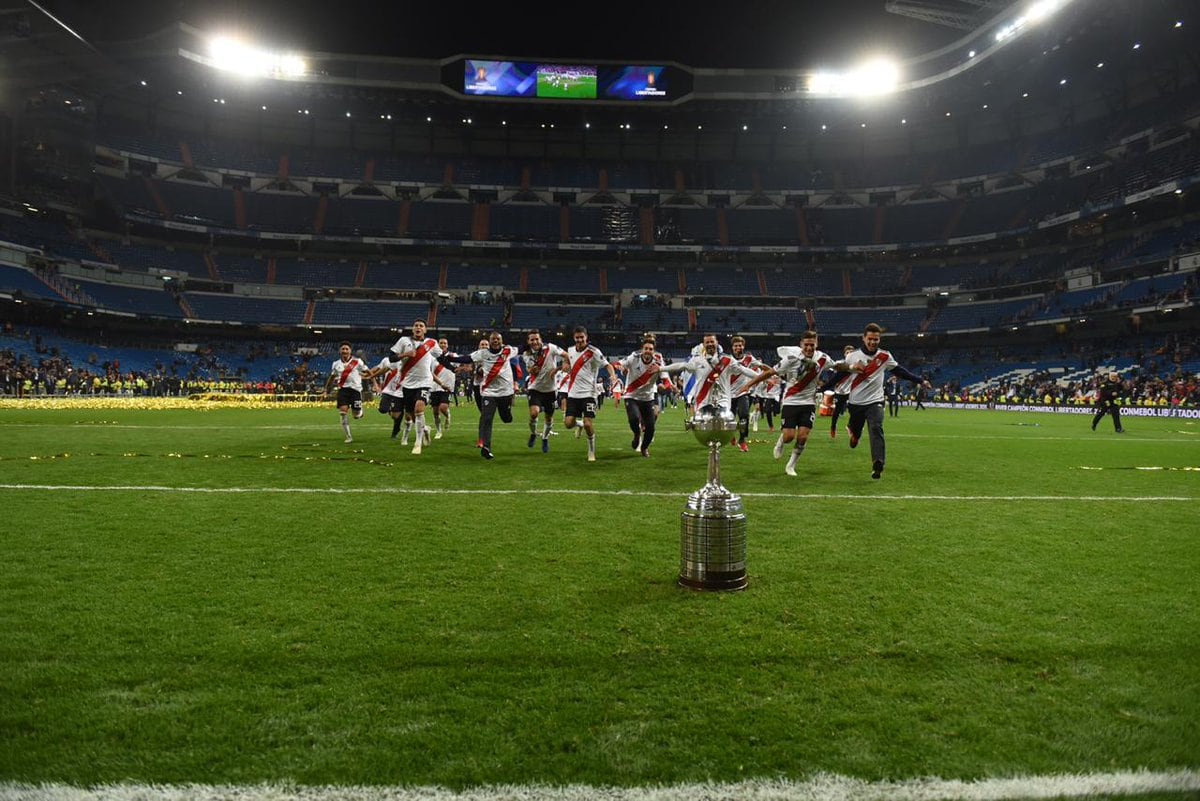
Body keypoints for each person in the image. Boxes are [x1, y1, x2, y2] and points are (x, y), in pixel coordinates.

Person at [833, 323, 932, 480]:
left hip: (876, 401)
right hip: (856, 403)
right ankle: (854, 434)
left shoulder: (885, 356)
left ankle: (878, 463)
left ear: (880, 340)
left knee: (876, 427)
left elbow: (899, 371)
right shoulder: (852, 356)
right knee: (856, 434)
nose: (873, 342)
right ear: (864, 338)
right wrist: (822, 388)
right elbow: (839, 376)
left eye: (876, 340)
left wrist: (920, 380)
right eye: (870, 339)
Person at [745, 330, 833, 477]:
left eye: (812, 344)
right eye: (806, 345)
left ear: (816, 344)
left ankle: (791, 465)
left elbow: (837, 366)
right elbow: (770, 372)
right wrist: (750, 384)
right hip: (791, 401)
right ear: (801, 345)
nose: (809, 348)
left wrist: (851, 367)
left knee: (803, 436)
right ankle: (781, 441)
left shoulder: (823, 358)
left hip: (809, 403)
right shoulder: (791, 358)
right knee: (789, 437)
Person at [445, 331, 519, 459]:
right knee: (486, 418)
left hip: (505, 392)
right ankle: (486, 447)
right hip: (488, 392)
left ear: (501, 341)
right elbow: (467, 358)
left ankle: (507, 414)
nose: (495, 341)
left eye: (498, 339)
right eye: (493, 339)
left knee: (506, 419)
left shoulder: (508, 350)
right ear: (489, 342)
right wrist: (450, 358)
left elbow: (523, 348)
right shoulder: (483, 353)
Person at [662, 333, 762, 419]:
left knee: (724, 423)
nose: (710, 344)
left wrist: (760, 377)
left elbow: (744, 370)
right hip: (703, 401)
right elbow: (680, 365)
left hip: (723, 400)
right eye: (707, 342)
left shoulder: (727, 360)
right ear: (704, 345)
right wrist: (661, 369)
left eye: (712, 342)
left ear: (717, 343)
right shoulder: (697, 361)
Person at [562, 326, 619, 462]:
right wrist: (565, 363)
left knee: (589, 424)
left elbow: (607, 365)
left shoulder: (593, 352)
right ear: (574, 338)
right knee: (568, 423)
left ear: (586, 337)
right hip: (573, 394)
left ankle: (591, 452)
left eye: (582, 337)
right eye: (577, 337)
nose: (580, 339)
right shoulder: (570, 350)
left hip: (589, 394)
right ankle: (579, 425)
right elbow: (567, 359)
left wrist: (612, 376)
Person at [389, 319, 444, 455]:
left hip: (425, 382)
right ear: (413, 329)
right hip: (407, 383)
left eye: (421, 326)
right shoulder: (403, 341)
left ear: (425, 330)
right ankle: (425, 429)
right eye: (416, 326)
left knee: (419, 409)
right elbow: (391, 358)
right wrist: (405, 354)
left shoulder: (432, 343)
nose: (418, 328)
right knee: (412, 415)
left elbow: (442, 357)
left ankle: (417, 443)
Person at [617, 336, 666, 457]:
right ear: (642, 349)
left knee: (651, 428)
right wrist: (622, 368)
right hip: (631, 395)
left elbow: (665, 376)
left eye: (650, 348)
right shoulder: (634, 357)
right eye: (646, 348)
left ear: (653, 351)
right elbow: (619, 363)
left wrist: (664, 385)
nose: (648, 350)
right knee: (633, 419)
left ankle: (644, 447)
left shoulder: (658, 360)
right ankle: (636, 434)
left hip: (647, 398)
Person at [522, 329, 567, 453]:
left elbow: (566, 355)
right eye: (532, 339)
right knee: (534, 413)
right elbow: (529, 369)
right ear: (529, 341)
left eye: (537, 339)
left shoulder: (551, 348)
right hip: (535, 388)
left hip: (550, 390)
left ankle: (545, 438)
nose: (535, 341)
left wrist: (561, 366)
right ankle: (533, 433)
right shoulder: (526, 354)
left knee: (548, 417)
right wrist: (531, 370)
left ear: (540, 339)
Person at [323, 341, 371, 443]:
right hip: (343, 390)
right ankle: (348, 437)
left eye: (347, 349)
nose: (345, 351)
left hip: (355, 390)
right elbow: (331, 378)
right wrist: (326, 390)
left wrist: (374, 383)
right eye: (343, 349)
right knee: (343, 413)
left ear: (350, 351)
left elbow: (369, 372)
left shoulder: (357, 362)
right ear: (340, 351)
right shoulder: (336, 364)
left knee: (356, 416)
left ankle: (360, 412)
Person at [727, 335, 764, 452]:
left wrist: (771, 372)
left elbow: (761, 366)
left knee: (744, 416)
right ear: (732, 348)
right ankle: (730, 435)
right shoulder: (727, 359)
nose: (738, 347)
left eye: (740, 345)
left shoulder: (749, 358)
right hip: (728, 394)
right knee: (730, 418)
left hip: (743, 393)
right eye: (736, 346)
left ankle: (742, 440)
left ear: (743, 346)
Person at [828, 344, 856, 438]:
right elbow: (830, 368)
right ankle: (833, 427)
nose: (849, 354)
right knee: (837, 411)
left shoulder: (856, 365)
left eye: (851, 353)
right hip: (840, 391)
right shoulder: (839, 363)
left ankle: (850, 426)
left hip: (851, 391)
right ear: (844, 354)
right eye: (847, 352)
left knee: (855, 409)